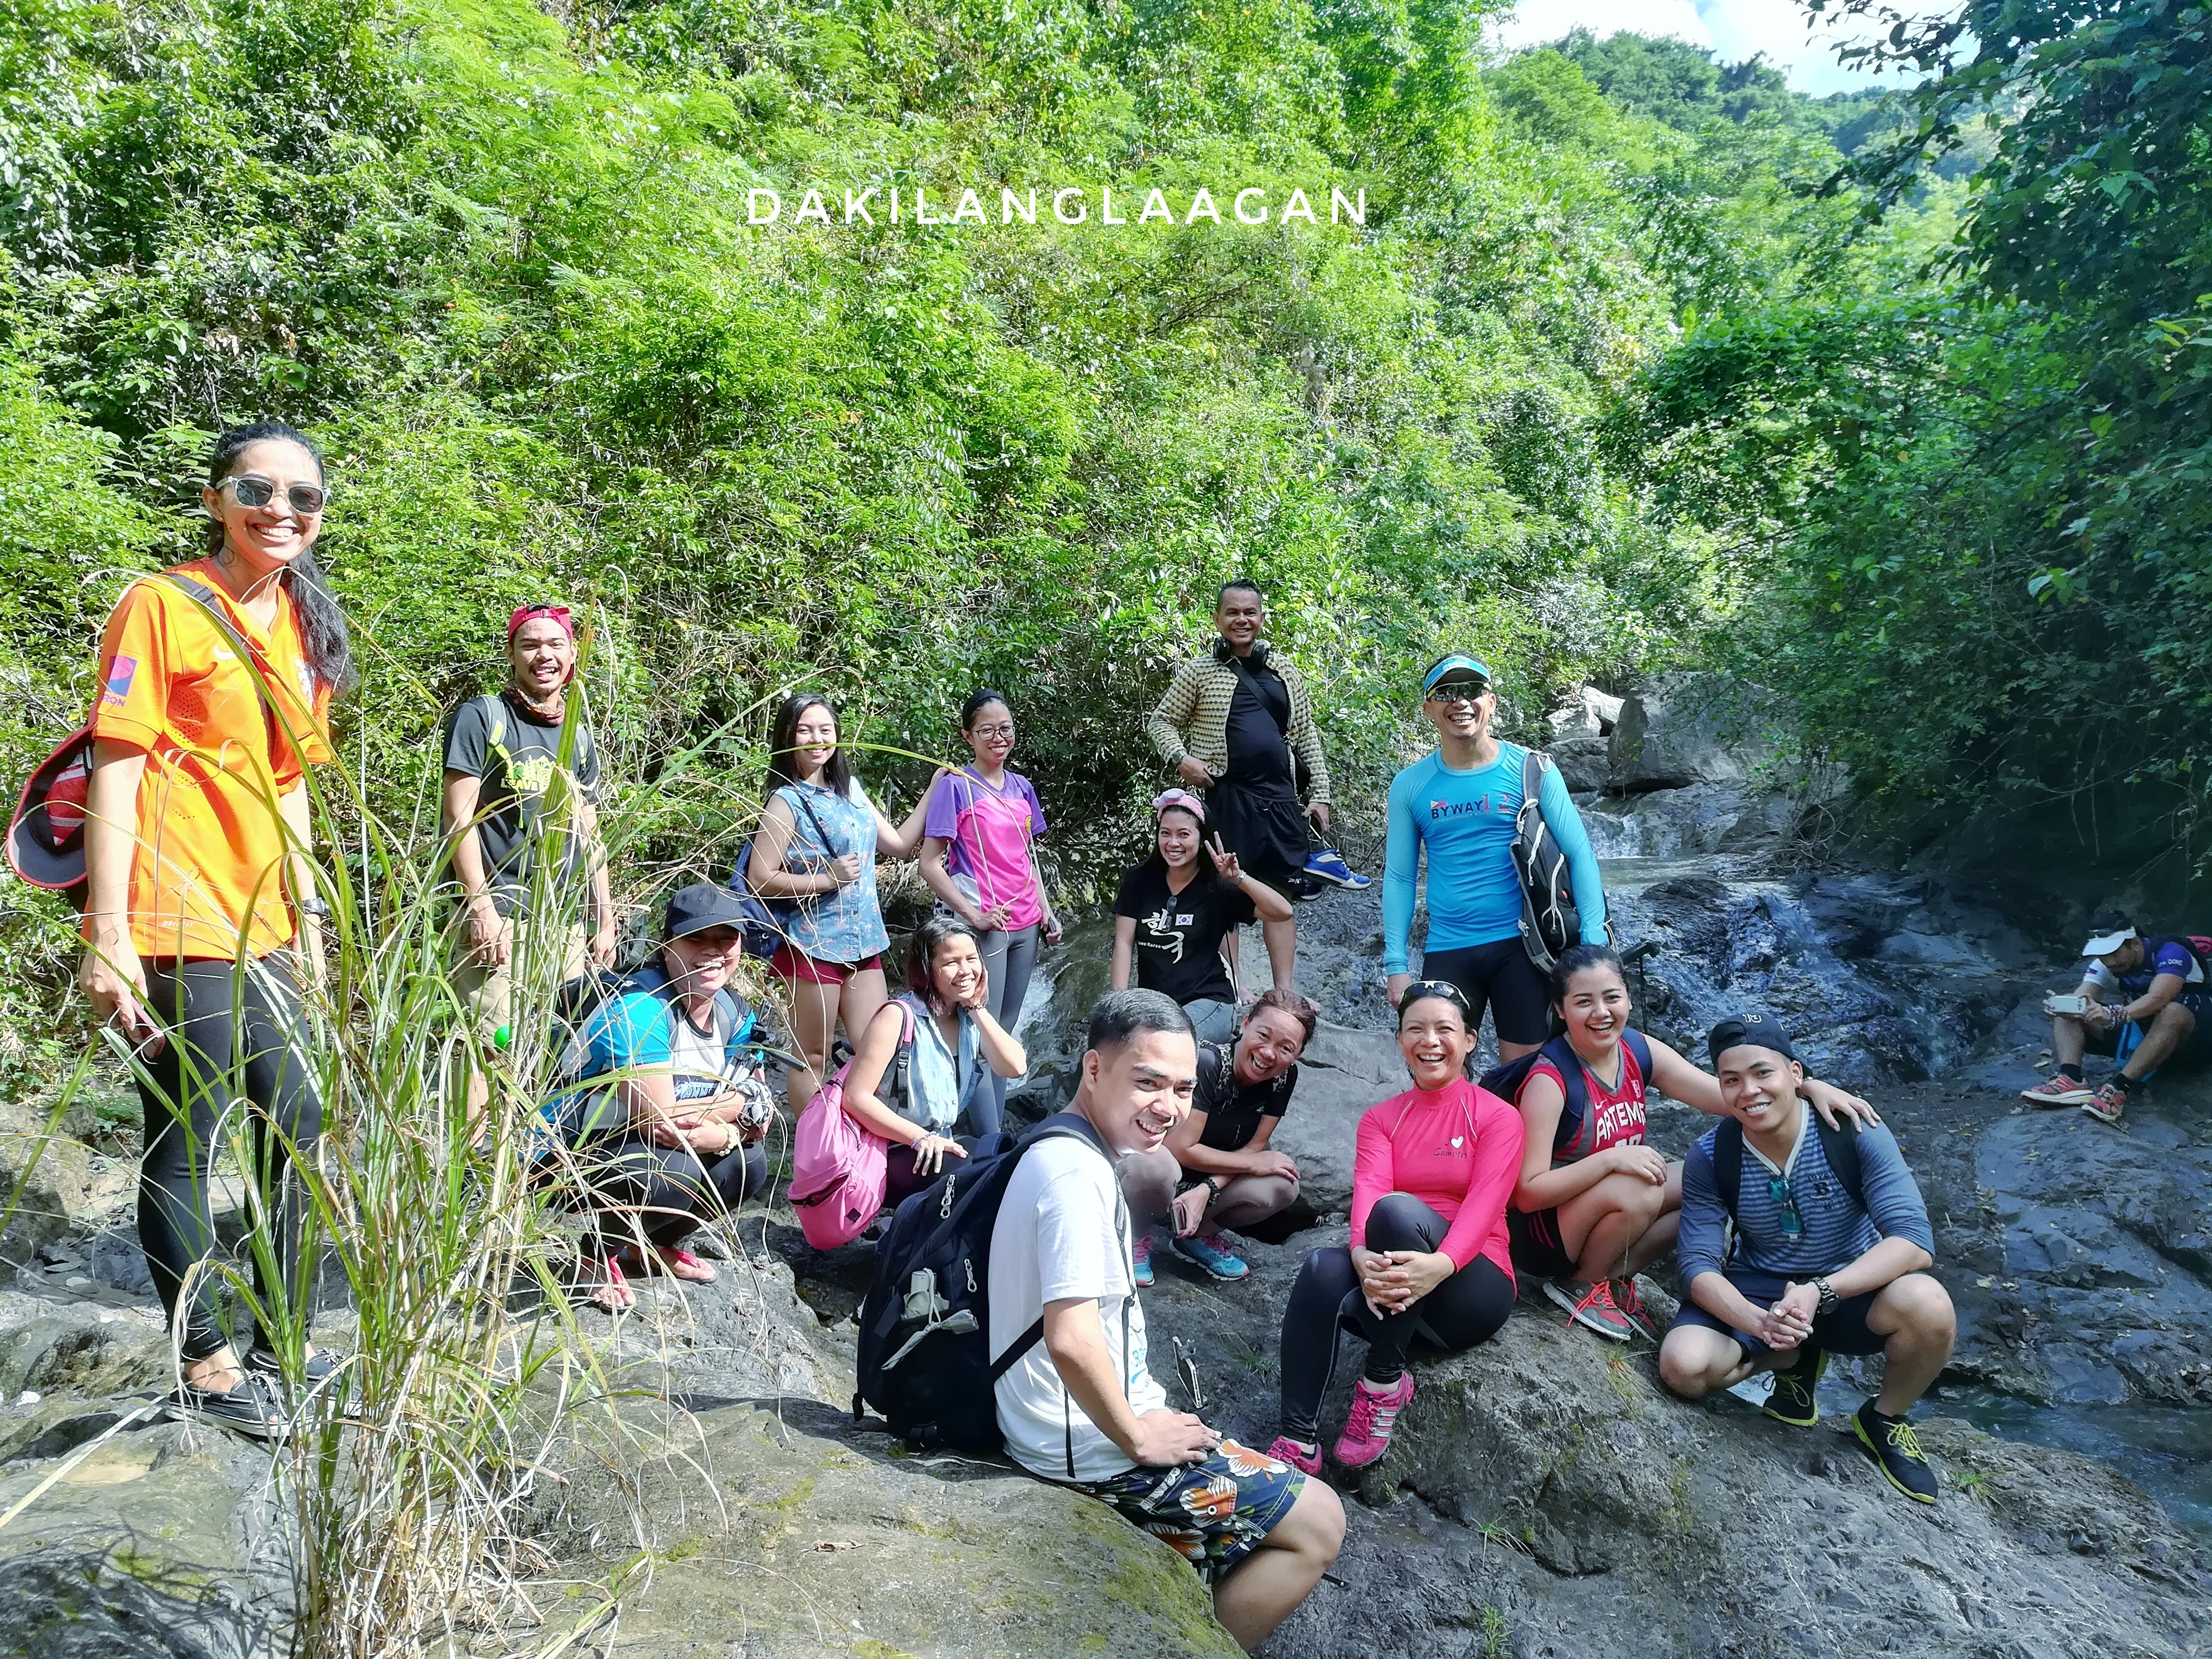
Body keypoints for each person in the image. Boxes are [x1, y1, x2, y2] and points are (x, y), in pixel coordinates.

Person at [76, 421, 348, 1439]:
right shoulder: (162, 605)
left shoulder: (302, 625)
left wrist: (312, 933)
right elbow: (118, 761)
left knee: (299, 1125)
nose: (281, 511)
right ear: (216, 498)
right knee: (190, 1137)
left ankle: (279, 1335)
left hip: (267, 919)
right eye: (258, 490)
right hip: (175, 910)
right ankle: (209, 1359)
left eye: (303, 499)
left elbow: (290, 791)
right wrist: (109, 929)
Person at [988, 989, 1343, 1651]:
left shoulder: (1067, 1148)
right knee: (1321, 1521)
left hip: (1068, 1420)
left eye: (1181, 1088)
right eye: (1146, 1082)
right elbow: (1069, 1338)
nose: (1169, 1107)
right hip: (1084, 1447)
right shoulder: (1074, 1178)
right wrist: (1137, 1439)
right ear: (1093, 1070)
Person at [1505, 944, 1878, 1342]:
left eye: (1612, 997)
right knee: (1641, 1191)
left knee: (1705, 1184)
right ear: (1561, 1010)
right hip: (1543, 1236)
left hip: (1600, 1206)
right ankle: (1580, 1285)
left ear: (1628, 998)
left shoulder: (1637, 1049)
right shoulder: (1550, 1079)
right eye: (1584, 1002)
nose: (1601, 1012)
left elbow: (1728, 1098)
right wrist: (1610, 1161)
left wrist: (1805, 1086)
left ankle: (1614, 1281)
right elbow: (1527, 1193)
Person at [1659, 1015, 1955, 1505]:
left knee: (1928, 1304)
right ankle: (1791, 1357)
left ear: (1795, 1073)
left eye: (1763, 1074)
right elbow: (1697, 1265)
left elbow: (1913, 1241)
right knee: (1684, 1367)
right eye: (1731, 1080)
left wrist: (1822, 1292)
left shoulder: (1853, 1129)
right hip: (1761, 1290)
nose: (1749, 1091)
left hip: (1848, 1289)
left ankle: (1883, 1419)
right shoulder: (1712, 1156)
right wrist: (1758, 1321)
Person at [1269, 982, 1522, 1474]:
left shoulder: (1497, 1117)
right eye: (1416, 1030)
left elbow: (1485, 1205)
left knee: (1397, 1214)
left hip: (1473, 1287)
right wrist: (1360, 1254)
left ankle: (1382, 1383)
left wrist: (1441, 1265)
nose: (1430, 1041)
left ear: (1470, 1040)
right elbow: (1369, 1188)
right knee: (1323, 1266)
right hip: (1400, 1283)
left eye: (1444, 1030)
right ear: (1400, 1041)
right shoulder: (1382, 1119)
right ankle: (1297, 1440)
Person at [564, 885, 786, 1312]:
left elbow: (763, 1109)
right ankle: (595, 1255)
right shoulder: (640, 1007)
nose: (713, 952)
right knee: (676, 1169)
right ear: (667, 947)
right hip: (574, 1148)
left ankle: (651, 1245)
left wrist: (723, 1132)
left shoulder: (734, 1012)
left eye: (727, 940)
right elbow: (659, 1120)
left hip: (646, 1140)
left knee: (750, 1163)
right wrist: (728, 1120)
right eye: (696, 939)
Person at [1382, 654, 1608, 1060]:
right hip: (1449, 948)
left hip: (1523, 949)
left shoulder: (1533, 770)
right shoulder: (1410, 786)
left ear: (1492, 702)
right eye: (1446, 693)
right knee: (1437, 1070)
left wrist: (1594, 941)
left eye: (1472, 691)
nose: (1460, 702)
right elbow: (1399, 877)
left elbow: (1579, 853)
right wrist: (1396, 963)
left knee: (1528, 1076)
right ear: (1429, 709)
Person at [442, 601, 615, 1127]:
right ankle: (470, 1178)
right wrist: (480, 908)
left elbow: (588, 830)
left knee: (547, 1045)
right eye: (530, 644)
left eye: (556, 645)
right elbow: (458, 820)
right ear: (513, 654)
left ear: (572, 656)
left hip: (558, 924)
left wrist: (602, 917)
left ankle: (518, 1171)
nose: (544, 655)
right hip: (501, 913)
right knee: (489, 1044)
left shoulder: (577, 734)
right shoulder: (483, 716)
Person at [745, 693, 935, 1105]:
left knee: (879, 1052)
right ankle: (815, 1155)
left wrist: (936, 789)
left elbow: (901, 845)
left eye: (825, 729)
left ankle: (862, 1151)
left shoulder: (851, 790)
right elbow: (760, 878)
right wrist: (825, 879)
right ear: (788, 738)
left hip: (865, 943)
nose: (817, 738)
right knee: (811, 1057)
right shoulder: (785, 801)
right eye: (805, 730)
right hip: (812, 947)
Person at [1146, 579, 1367, 895]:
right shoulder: (1199, 671)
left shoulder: (1285, 671)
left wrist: (1320, 794)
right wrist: (1183, 759)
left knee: (1285, 895)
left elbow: (1305, 735)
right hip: (1227, 797)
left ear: (1261, 619)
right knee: (1226, 893)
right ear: (1217, 619)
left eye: (1250, 612)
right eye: (1232, 612)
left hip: (1283, 798)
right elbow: (1161, 721)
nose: (1242, 620)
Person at [917, 689, 1063, 1129]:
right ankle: (989, 1141)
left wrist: (1047, 911)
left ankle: (992, 1131)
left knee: (1005, 1030)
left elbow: (1028, 859)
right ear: (968, 736)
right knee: (981, 1033)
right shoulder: (955, 787)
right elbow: (929, 864)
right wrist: (973, 915)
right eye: (987, 731)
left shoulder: (1023, 788)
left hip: (1025, 924)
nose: (999, 738)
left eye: (1006, 729)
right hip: (984, 926)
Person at [1117, 987, 1316, 1289]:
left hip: (1206, 1179)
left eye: (1286, 1048)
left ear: (1297, 1055)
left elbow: (1255, 1148)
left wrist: (1209, 1188)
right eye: (1263, 1035)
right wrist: (1250, 1164)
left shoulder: (1284, 1078)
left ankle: (1195, 1236)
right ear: (1246, 1024)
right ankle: (1135, 1234)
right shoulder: (1208, 1063)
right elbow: (1180, 1147)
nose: (1269, 1053)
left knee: (1283, 1184)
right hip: (1162, 1164)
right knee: (1156, 1167)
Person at [837, 915, 1025, 1207]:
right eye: (952, 962)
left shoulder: (967, 1019)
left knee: (1003, 1157)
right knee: (971, 1176)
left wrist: (976, 1006)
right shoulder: (897, 1017)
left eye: (972, 959)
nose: (965, 971)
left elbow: (1014, 1068)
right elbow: (856, 1098)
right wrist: (919, 1138)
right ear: (927, 970)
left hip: (937, 1145)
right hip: (890, 1150)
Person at [1111, 790, 1294, 1045]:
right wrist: (1118, 1003)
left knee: (1163, 1045)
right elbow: (1123, 943)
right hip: (1156, 1005)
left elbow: (1283, 912)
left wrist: (1238, 879)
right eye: (1165, 833)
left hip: (1210, 1002)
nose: (1173, 843)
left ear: (1201, 839)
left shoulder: (1217, 887)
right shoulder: (1139, 881)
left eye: (1183, 834)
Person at [2021, 914, 2212, 1126]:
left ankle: (2120, 1088)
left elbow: (2159, 997)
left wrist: (2116, 1015)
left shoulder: (2170, 951)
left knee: (2172, 1011)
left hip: (2191, 1041)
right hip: (2146, 1037)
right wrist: (2065, 1005)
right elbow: (2085, 994)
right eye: (2103, 955)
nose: (2109, 961)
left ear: (2136, 944)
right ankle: (2071, 1078)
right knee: (2072, 1008)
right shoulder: (2106, 964)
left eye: (2114, 953)